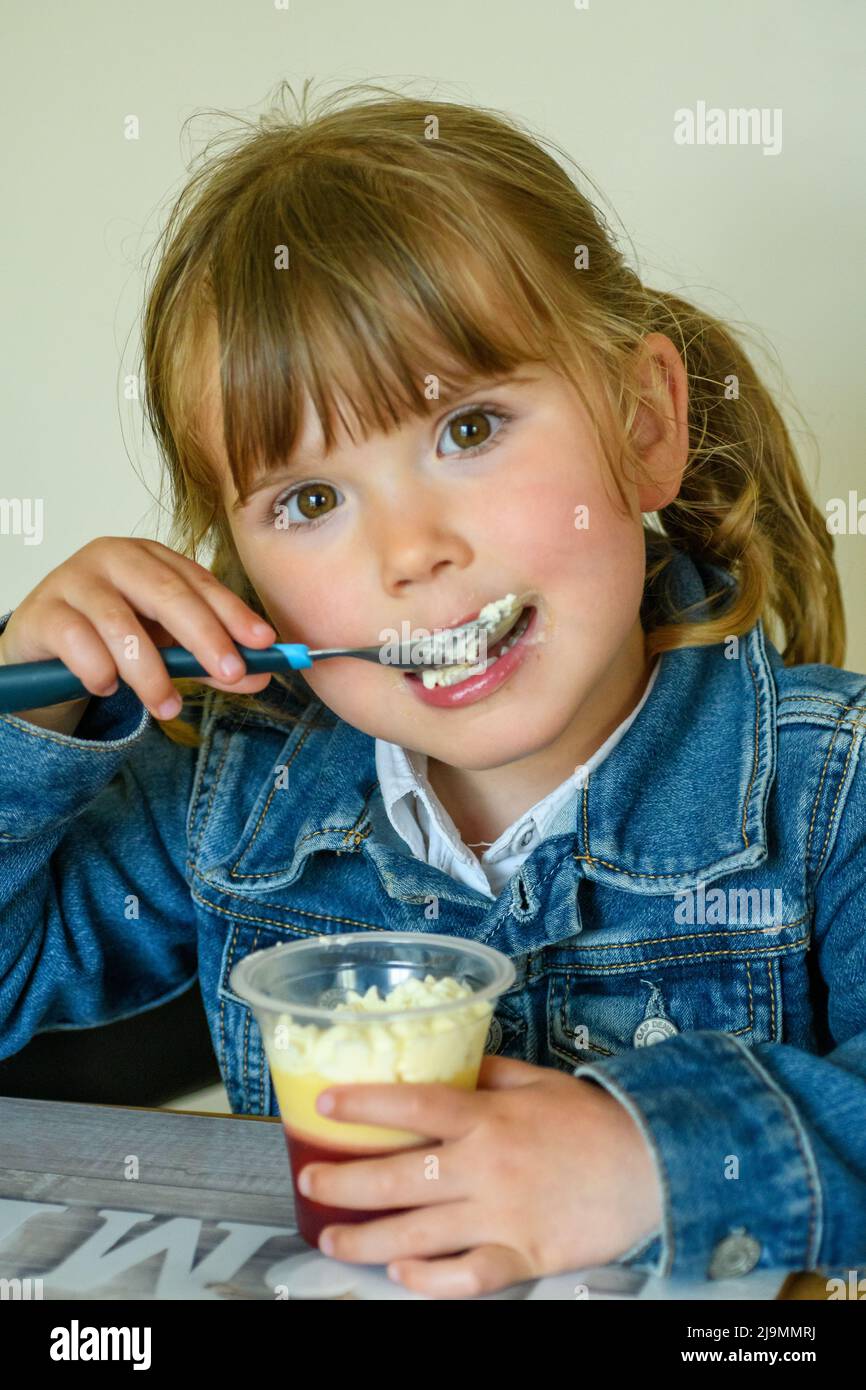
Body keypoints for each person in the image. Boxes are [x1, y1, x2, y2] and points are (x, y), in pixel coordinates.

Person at [1, 79, 864, 1300]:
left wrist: (643, 1160)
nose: (408, 551)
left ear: (642, 427)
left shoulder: (830, 790)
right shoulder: (232, 794)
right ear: (244, 582)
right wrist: (25, 715)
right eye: (308, 500)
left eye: (467, 428)